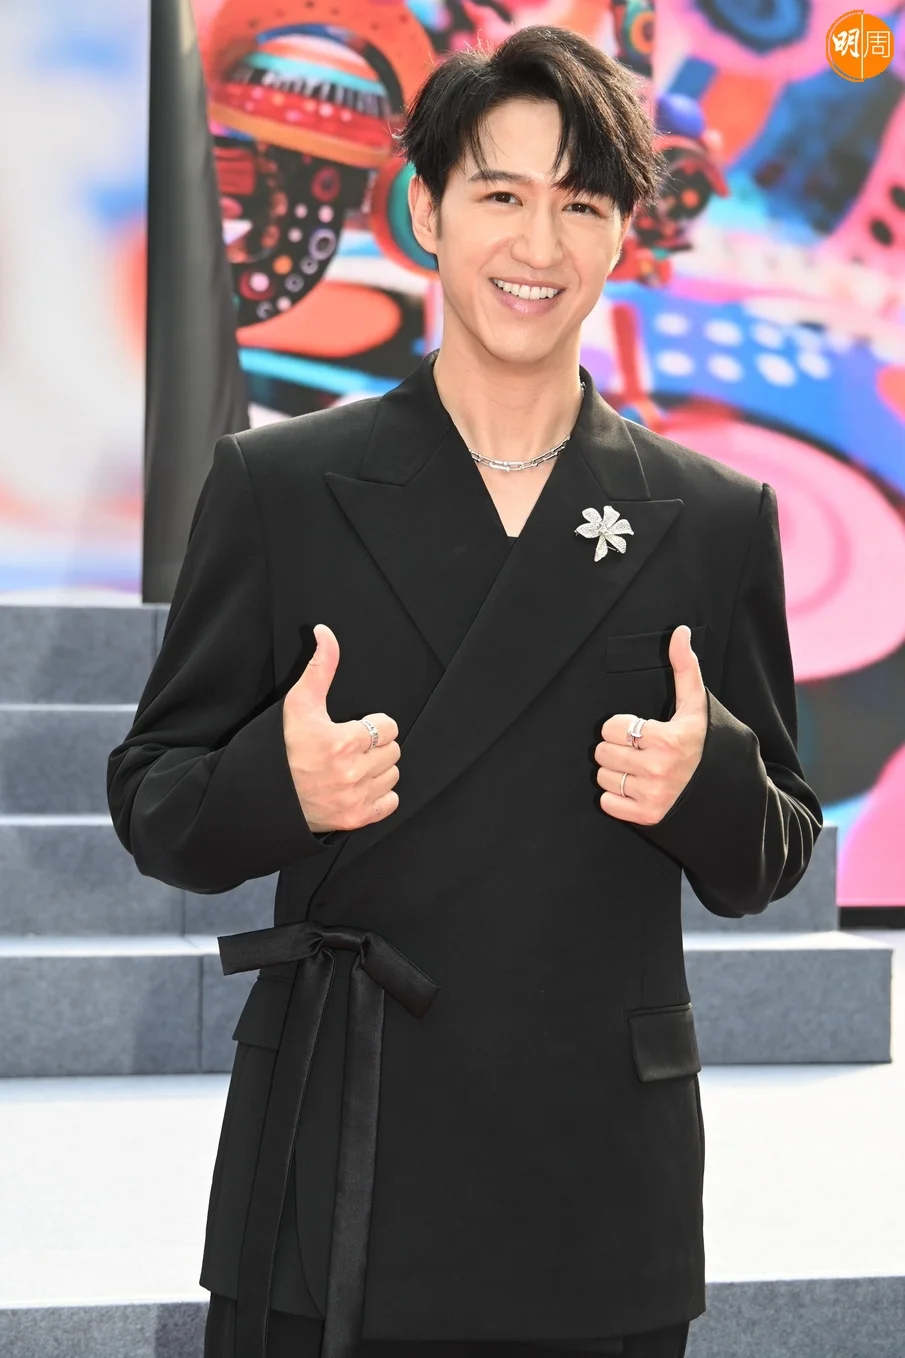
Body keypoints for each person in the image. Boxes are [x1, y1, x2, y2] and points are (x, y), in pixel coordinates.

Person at [106, 24, 823, 1358]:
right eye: (500, 194)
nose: (538, 243)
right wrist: (277, 783)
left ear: (623, 237)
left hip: (594, 1178)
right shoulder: (280, 486)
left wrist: (705, 778)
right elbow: (156, 800)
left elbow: (772, 848)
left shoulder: (714, 516)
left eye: (582, 204)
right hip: (341, 1156)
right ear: (427, 211)